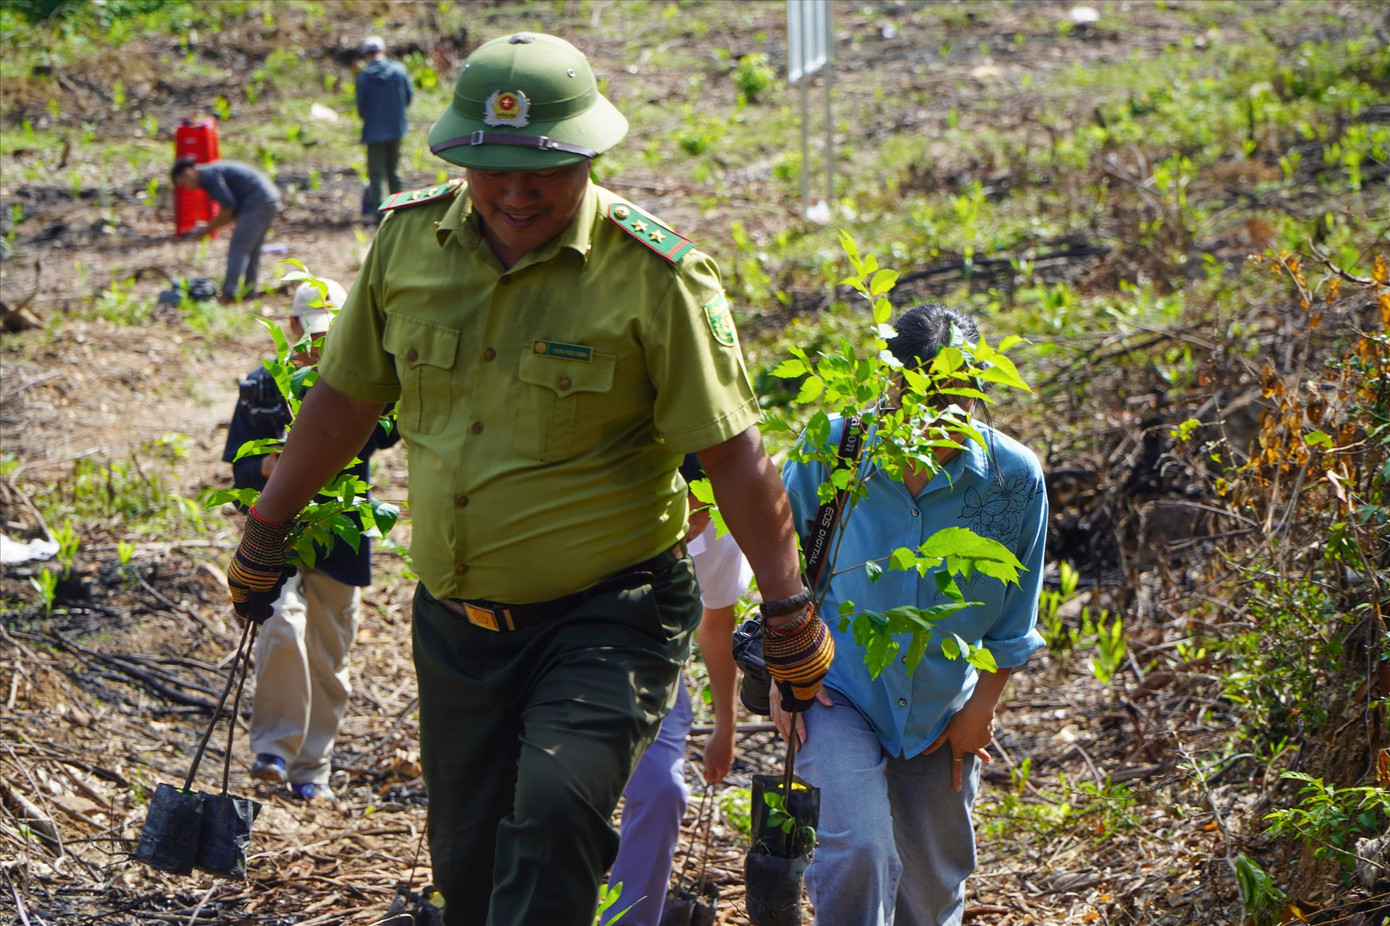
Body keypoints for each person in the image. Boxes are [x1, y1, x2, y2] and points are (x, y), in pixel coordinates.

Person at [221, 31, 833, 926]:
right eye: (493, 170)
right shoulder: (407, 244)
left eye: (542, 171)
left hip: (609, 615)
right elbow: (345, 398)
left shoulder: (656, 277)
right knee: (468, 870)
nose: (515, 193)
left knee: (554, 811)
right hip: (457, 628)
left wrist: (786, 607)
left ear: (588, 154)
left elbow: (733, 454)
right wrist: (266, 529)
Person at [772, 304, 1048, 926]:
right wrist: (783, 671)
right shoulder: (834, 452)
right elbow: (780, 566)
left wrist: (981, 710)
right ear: (890, 383)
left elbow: (1014, 614)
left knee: (931, 885)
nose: (940, 420)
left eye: (958, 400)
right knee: (857, 848)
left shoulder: (1012, 480)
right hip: (837, 689)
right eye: (921, 399)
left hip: (942, 708)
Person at [222, 279, 399, 801]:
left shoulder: (364, 385)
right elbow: (241, 469)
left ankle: (312, 768)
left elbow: (396, 426)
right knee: (280, 622)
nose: (320, 346)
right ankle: (274, 748)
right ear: (293, 327)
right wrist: (271, 468)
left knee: (330, 656)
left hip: (341, 540)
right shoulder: (264, 387)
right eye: (313, 335)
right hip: (280, 538)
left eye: (333, 335)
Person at [608, 454, 751, 925]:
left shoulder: (719, 530)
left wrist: (725, 726)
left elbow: (716, 624)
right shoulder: (607, 508)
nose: (694, 523)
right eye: (686, 506)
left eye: (704, 509)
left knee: (663, 790)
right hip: (570, 652)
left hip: (655, 666)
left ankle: (627, 919)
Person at [171, 156, 282, 303]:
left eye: (184, 184)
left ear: (188, 172)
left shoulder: (209, 176)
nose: (188, 188)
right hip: (268, 200)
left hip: (258, 202)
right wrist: (210, 227)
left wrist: (208, 228)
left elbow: (228, 208)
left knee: (239, 246)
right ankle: (249, 294)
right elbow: (232, 211)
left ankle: (229, 294)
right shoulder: (211, 173)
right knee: (252, 250)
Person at [355, 35, 414, 218]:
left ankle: (380, 213)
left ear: (366, 54)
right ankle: (400, 210)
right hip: (396, 129)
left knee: (377, 174)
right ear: (383, 51)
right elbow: (408, 98)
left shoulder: (364, 77)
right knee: (394, 171)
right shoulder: (399, 71)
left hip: (374, 132)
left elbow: (362, 109)